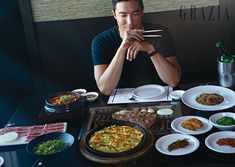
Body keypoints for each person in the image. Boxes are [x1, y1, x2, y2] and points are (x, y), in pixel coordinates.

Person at [91, 0, 181, 95]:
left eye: (135, 14)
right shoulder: (101, 41)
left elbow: (173, 81)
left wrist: (150, 49)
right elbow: (105, 89)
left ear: (142, 12)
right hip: (121, 101)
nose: (130, 22)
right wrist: (122, 48)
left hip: (159, 95)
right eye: (123, 15)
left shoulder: (160, 34)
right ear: (114, 14)